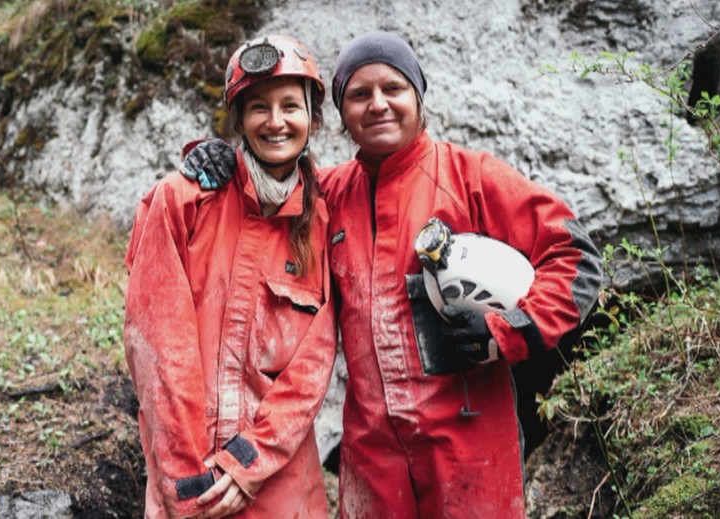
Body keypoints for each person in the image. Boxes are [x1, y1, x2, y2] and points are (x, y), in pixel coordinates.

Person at [182, 31, 603, 518]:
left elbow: (577, 257)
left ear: (418, 97)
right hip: (373, 460)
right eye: (360, 94)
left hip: (471, 450)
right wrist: (219, 158)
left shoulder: (471, 177)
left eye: (393, 89)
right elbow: (266, 189)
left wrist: (511, 330)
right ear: (341, 114)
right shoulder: (327, 194)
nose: (378, 104)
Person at [123, 34, 336, 518]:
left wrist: (247, 463)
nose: (276, 121)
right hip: (188, 478)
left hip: (281, 485)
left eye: (290, 106)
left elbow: (312, 369)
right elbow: (157, 350)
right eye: (259, 107)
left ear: (313, 119)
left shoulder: (324, 222)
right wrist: (187, 485)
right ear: (238, 119)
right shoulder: (182, 200)